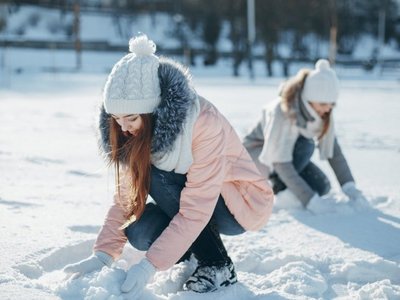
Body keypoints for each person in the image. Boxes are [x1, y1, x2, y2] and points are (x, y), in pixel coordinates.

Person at [63, 35, 274, 296]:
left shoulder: (202, 123)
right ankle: (190, 255)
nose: (123, 127)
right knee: (139, 230)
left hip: (237, 204)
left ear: (153, 112)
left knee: (153, 175)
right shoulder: (136, 135)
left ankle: (217, 265)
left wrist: (150, 266)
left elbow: (195, 209)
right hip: (192, 202)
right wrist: (103, 255)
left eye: (130, 118)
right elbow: (125, 199)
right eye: (116, 119)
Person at [243, 59, 366, 212]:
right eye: (323, 104)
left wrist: (349, 187)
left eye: (332, 104)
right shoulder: (283, 111)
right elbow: (280, 161)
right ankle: (278, 186)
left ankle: (288, 189)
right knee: (306, 145)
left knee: (322, 186)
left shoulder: (321, 114)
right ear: (308, 99)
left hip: (289, 156)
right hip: (259, 157)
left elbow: (333, 150)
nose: (328, 109)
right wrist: (310, 201)